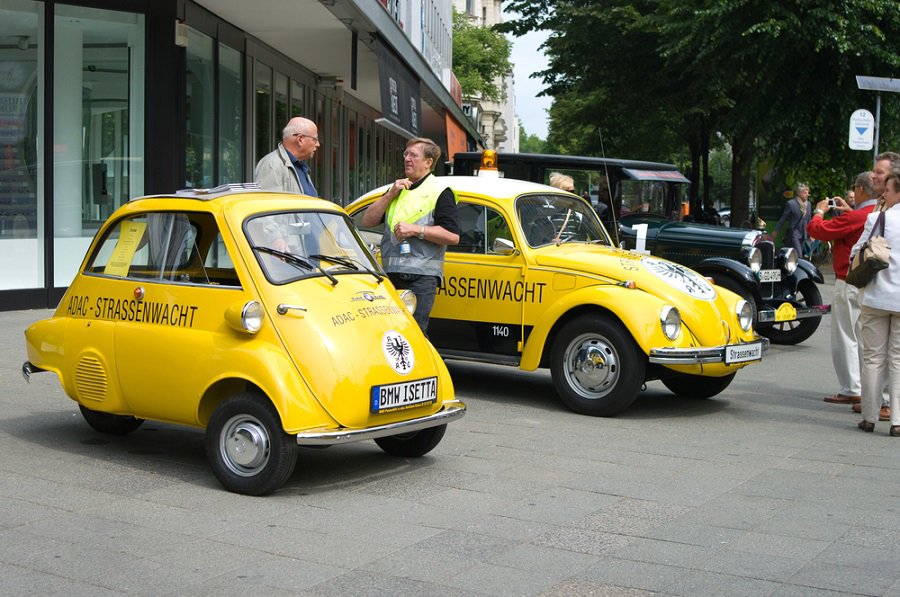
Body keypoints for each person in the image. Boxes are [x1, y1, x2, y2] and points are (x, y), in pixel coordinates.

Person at [361, 137, 459, 334]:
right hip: (390, 277)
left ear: (428, 162)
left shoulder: (440, 191)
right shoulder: (397, 189)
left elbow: (452, 236)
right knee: (389, 334)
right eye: (406, 154)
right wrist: (390, 195)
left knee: (412, 334)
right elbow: (367, 221)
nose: (407, 159)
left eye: (413, 155)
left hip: (421, 279)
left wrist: (416, 230)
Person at [808, 172, 878, 407]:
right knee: (863, 336)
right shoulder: (876, 213)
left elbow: (817, 230)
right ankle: (868, 388)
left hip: (847, 278)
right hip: (870, 281)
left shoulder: (859, 216)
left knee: (845, 335)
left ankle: (851, 387)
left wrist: (819, 211)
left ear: (860, 190)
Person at [851, 169, 900, 436]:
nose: (885, 195)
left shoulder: (877, 218)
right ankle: (897, 420)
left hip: (876, 296)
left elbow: (857, 252)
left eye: (888, 191)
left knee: (872, 358)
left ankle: (869, 416)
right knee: (899, 359)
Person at [254, 117, 319, 196]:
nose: (318, 144)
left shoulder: (299, 166)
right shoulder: (272, 165)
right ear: (300, 140)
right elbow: (270, 205)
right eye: (315, 139)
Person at [772, 182, 812, 257]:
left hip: (804, 233)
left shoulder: (808, 204)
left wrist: (811, 234)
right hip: (794, 233)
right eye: (805, 193)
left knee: (796, 254)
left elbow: (809, 220)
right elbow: (783, 219)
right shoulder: (791, 204)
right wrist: (776, 231)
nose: (807, 194)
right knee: (799, 255)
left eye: (808, 193)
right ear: (799, 193)